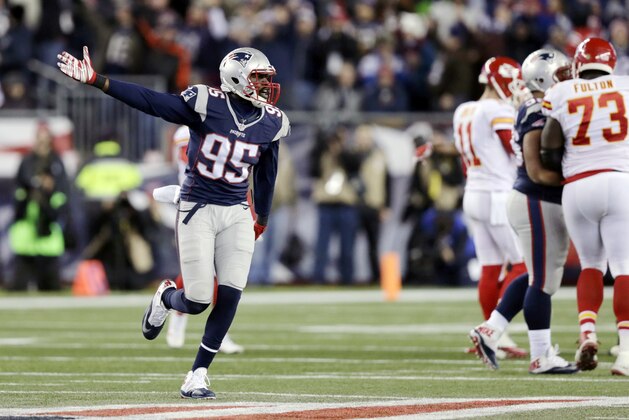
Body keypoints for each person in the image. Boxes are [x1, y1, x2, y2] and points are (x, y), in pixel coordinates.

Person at [57, 46, 290, 397]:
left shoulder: (271, 121)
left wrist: (263, 216)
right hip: (197, 206)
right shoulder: (206, 104)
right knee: (196, 300)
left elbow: (267, 174)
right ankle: (166, 297)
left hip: (236, 212)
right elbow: (151, 101)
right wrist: (98, 81)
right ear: (237, 78)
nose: (265, 86)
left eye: (266, 79)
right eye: (259, 79)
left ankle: (197, 373)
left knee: (230, 294)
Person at [469, 49, 578, 374]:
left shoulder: (545, 105)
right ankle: (541, 356)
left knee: (535, 277)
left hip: (534, 200)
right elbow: (535, 170)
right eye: (561, 73)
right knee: (543, 282)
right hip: (535, 198)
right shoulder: (537, 108)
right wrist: (573, 181)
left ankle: (491, 329)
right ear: (546, 77)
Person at [540, 37, 629, 376]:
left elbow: (549, 147)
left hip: (577, 185)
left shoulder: (562, 92)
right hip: (620, 181)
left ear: (578, 63)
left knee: (591, 265)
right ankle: (625, 353)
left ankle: (588, 333)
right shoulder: (624, 86)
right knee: (624, 267)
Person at [453, 56, 529, 358]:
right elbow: (515, 147)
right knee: (525, 266)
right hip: (497, 194)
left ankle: (495, 333)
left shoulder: (464, 109)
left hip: (473, 191)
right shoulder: (497, 108)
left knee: (490, 266)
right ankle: (493, 329)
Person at [164, 125, 244, 354]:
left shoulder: (227, 126)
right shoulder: (185, 131)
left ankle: (220, 333)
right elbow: (195, 165)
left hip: (224, 205)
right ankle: (178, 315)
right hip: (194, 205)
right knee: (197, 269)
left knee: (225, 273)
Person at [8, 121, 70, 291]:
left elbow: (63, 192)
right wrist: (34, 188)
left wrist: (49, 195)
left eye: (45, 139)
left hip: (48, 229)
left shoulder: (56, 162)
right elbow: (20, 187)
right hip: (27, 229)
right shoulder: (27, 161)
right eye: (39, 139)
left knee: (51, 287)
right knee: (19, 286)